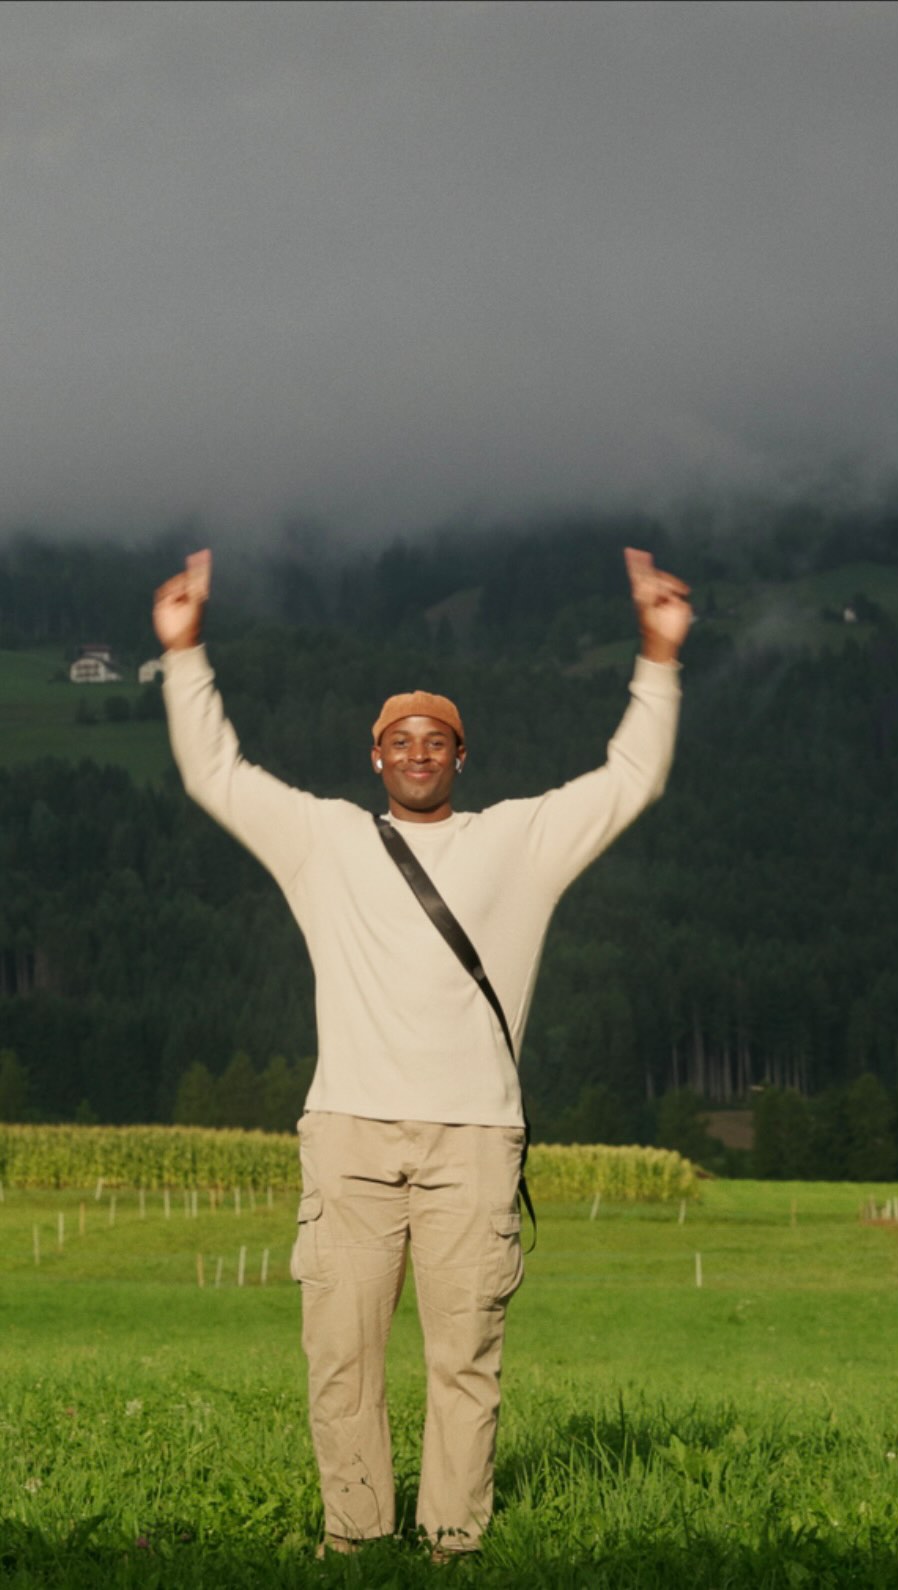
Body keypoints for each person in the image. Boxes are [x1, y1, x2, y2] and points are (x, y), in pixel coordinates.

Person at [153, 545, 689, 1559]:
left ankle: (452, 1543)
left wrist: (657, 652)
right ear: (374, 758)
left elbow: (632, 777)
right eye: (397, 738)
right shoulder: (324, 840)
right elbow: (214, 774)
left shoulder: (519, 843)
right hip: (348, 1135)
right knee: (340, 1358)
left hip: (475, 1140)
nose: (414, 750)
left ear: (460, 756)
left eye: (433, 738)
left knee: (465, 1359)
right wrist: (184, 652)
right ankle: (353, 1538)